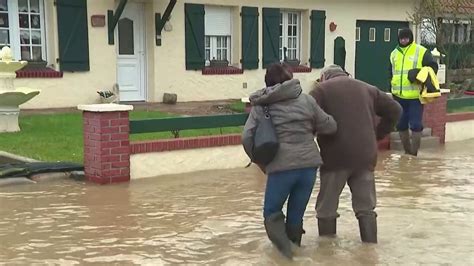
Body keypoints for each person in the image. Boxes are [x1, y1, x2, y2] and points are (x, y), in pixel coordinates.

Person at [242, 63, 337, 259]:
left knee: (271, 213)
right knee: (296, 215)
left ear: (267, 82)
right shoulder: (307, 100)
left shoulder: (261, 105)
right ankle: (296, 252)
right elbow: (330, 126)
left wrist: (260, 162)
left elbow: (246, 137)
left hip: (280, 167)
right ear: (290, 78)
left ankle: (286, 257)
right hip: (309, 167)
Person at [309, 64, 402, 243]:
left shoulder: (320, 91)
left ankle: (327, 254)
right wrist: (378, 134)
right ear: (346, 74)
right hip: (365, 155)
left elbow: (306, 115)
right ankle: (369, 251)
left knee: (326, 208)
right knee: (366, 207)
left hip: (335, 157)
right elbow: (395, 110)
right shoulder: (368, 88)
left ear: (323, 77)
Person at [389, 28, 438, 156]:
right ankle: (407, 153)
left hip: (415, 96)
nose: (404, 40)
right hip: (398, 96)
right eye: (401, 38)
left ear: (410, 38)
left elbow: (433, 68)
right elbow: (391, 72)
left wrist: (418, 73)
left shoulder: (421, 51)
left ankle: (414, 153)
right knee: (400, 124)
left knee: (416, 124)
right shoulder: (394, 53)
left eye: (406, 38)